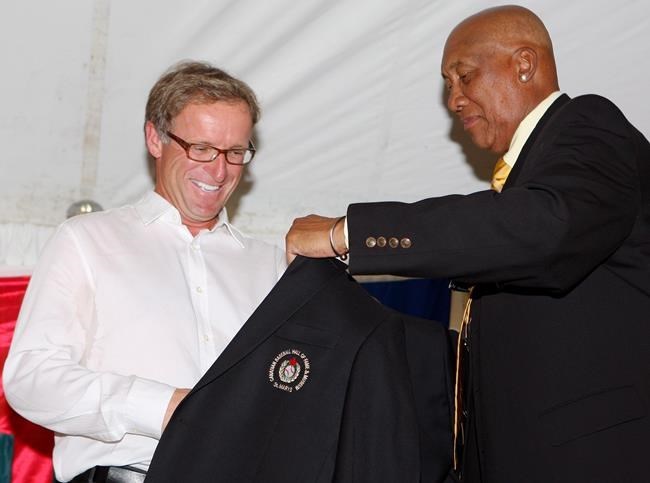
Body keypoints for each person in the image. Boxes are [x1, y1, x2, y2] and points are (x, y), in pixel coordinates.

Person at [286, 5, 650, 483]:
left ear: (524, 64)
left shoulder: (589, 126)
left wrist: (346, 232)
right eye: (447, 85)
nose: (454, 99)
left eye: (465, 76)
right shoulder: (527, 184)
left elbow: (541, 229)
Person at [3, 61, 286, 482]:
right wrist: (162, 406)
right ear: (155, 138)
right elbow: (31, 379)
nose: (219, 170)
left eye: (235, 153)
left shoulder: (272, 264)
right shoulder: (87, 240)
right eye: (202, 148)